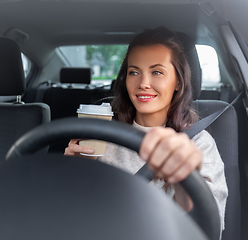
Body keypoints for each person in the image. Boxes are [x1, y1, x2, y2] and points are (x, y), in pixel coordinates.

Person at [64, 26, 228, 234]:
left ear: (178, 81)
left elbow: (208, 231)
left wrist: (184, 180)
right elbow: (76, 219)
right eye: (134, 72)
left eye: (157, 72)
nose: (143, 83)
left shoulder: (199, 143)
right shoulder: (100, 135)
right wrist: (73, 175)